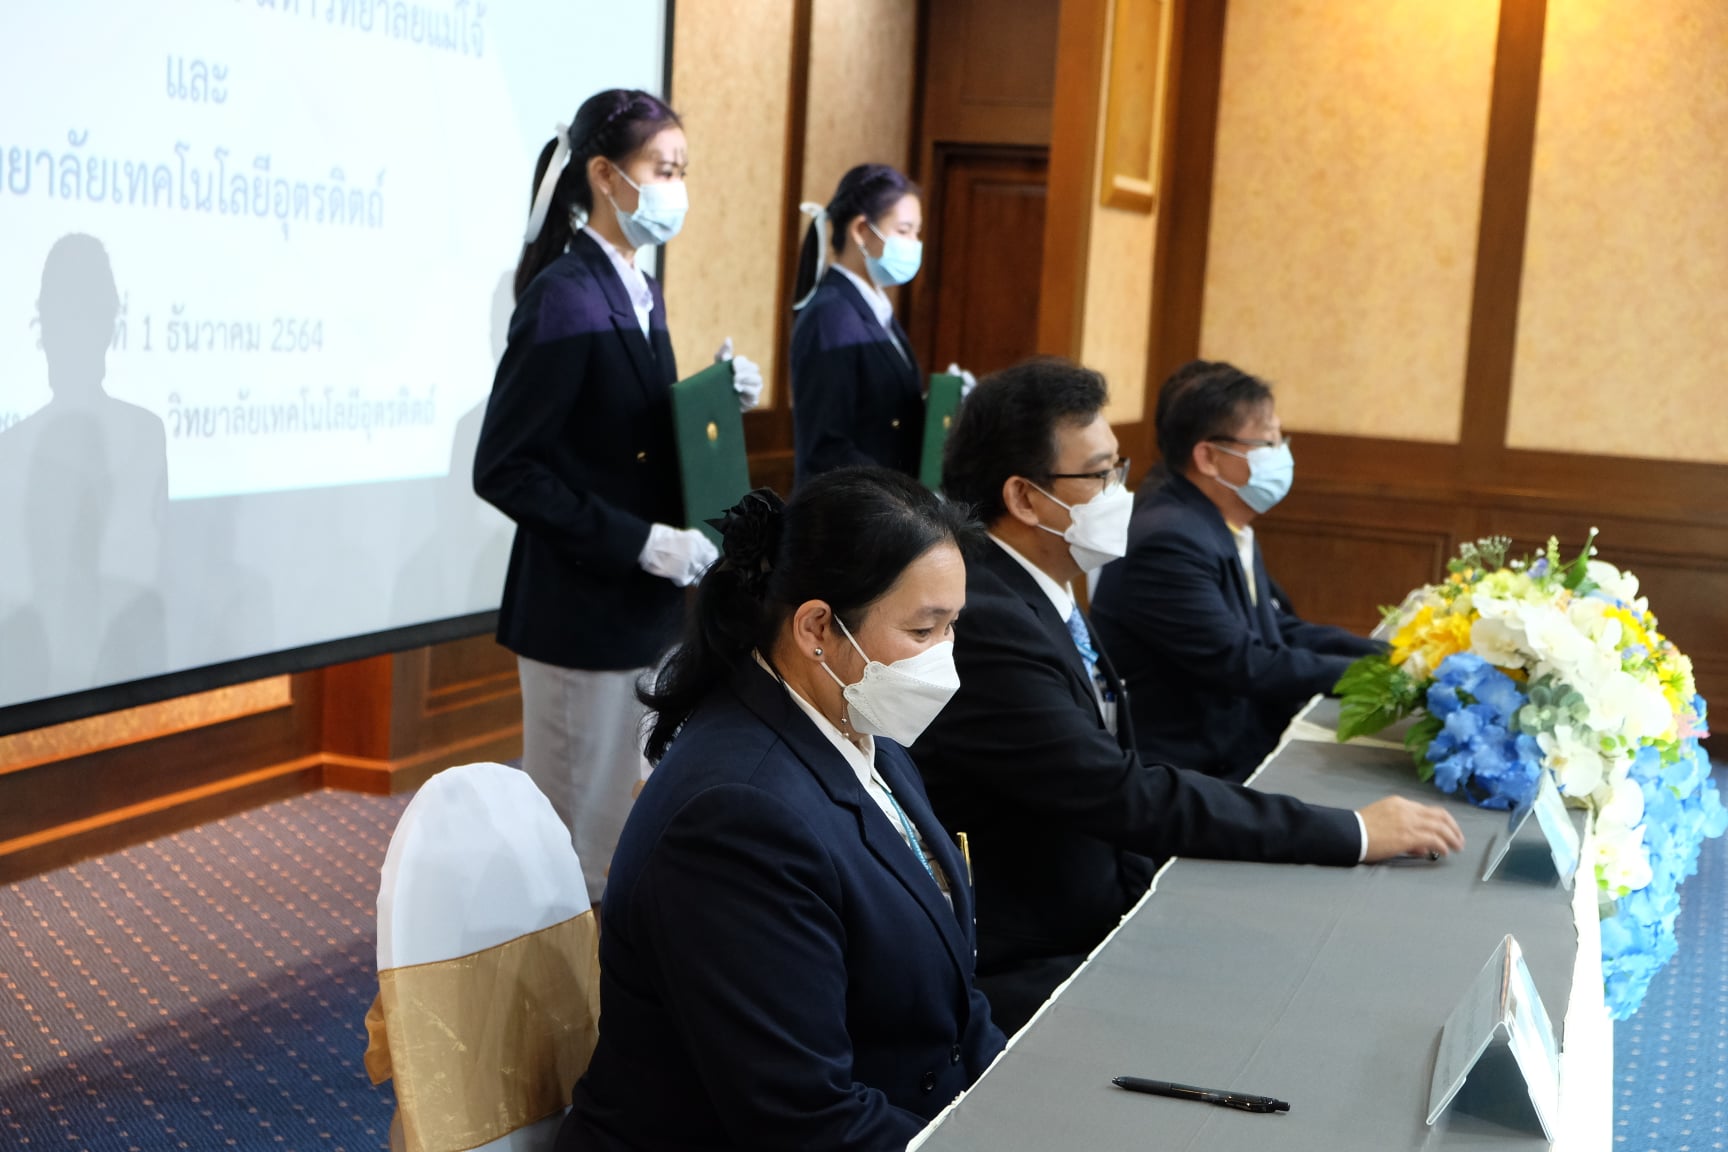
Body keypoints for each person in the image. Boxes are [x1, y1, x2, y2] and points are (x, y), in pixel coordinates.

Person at [911, 357, 1464, 1034]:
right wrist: (1349, 831)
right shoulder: (987, 617)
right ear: (1026, 498)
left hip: (1111, 881)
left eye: (1121, 467)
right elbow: (1118, 791)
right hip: (1036, 947)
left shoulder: (1042, 583)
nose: (1122, 492)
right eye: (1100, 475)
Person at [562, 470, 1006, 1151]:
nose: (944, 658)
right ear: (818, 628)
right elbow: (803, 1119)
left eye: (953, 626)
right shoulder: (736, 817)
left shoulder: (862, 729)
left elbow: (954, 1008)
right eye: (924, 629)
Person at [473, 88, 762, 906]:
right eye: (662, 169)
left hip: (642, 608)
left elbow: (621, 431)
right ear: (604, 174)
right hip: (580, 613)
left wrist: (711, 400)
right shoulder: (565, 296)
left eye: (682, 170)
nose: (678, 187)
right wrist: (638, 540)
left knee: (622, 834)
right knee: (576, 846)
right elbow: (507, 466)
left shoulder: (636, 283)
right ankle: (560, 1026)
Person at [1092, 360, 1385, 782]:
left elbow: (1275, 627)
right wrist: (1380, 677)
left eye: (1281, 438)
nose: (1281, 454)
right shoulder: (1169, 539)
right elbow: (1243, 661)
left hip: (1238, 744)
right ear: (1209, 457)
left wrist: (1390, 658)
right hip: (1194, 773)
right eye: (1268, 443)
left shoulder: (1219, 516)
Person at [788, 164, 929, 487]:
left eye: (917, 232)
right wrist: (905, 497)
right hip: (851, 519)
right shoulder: (832, 315)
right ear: (862, 231)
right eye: (904, 231)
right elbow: (826, 446)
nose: (914, 243)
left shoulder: (874, 307)